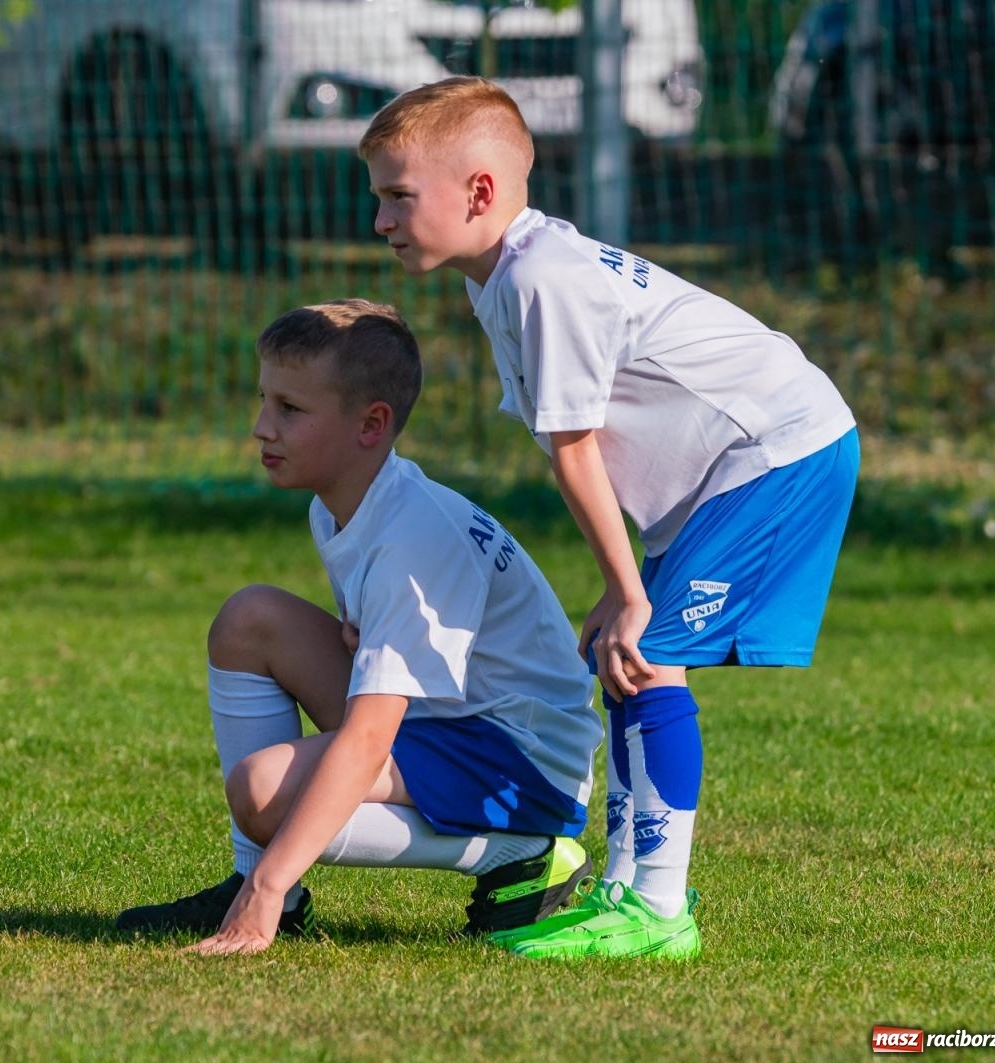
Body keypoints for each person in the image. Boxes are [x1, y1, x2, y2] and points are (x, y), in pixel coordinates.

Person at [357, 77, 861, 959]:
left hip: (778, 448)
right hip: (726, 466)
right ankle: (627, 889)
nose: (382, 220)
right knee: (625, 657)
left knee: (650, 651)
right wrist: (622, 588)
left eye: (399, 197)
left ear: (479, 191)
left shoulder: (544, 278)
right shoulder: (505, 276)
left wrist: (630, 591)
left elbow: (577, 448)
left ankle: (659, 912)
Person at [115, 299, 603, 955]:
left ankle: (525, 852)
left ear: (370, 425)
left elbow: (371, 736)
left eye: (290, 409)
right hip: (453, 719)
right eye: (265, 400)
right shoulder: (340, 505)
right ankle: (264, 889)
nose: (262, 427)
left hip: (520, 761)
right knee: (249, 619)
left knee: (262, 791)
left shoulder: (413, 537)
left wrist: (273, 872)